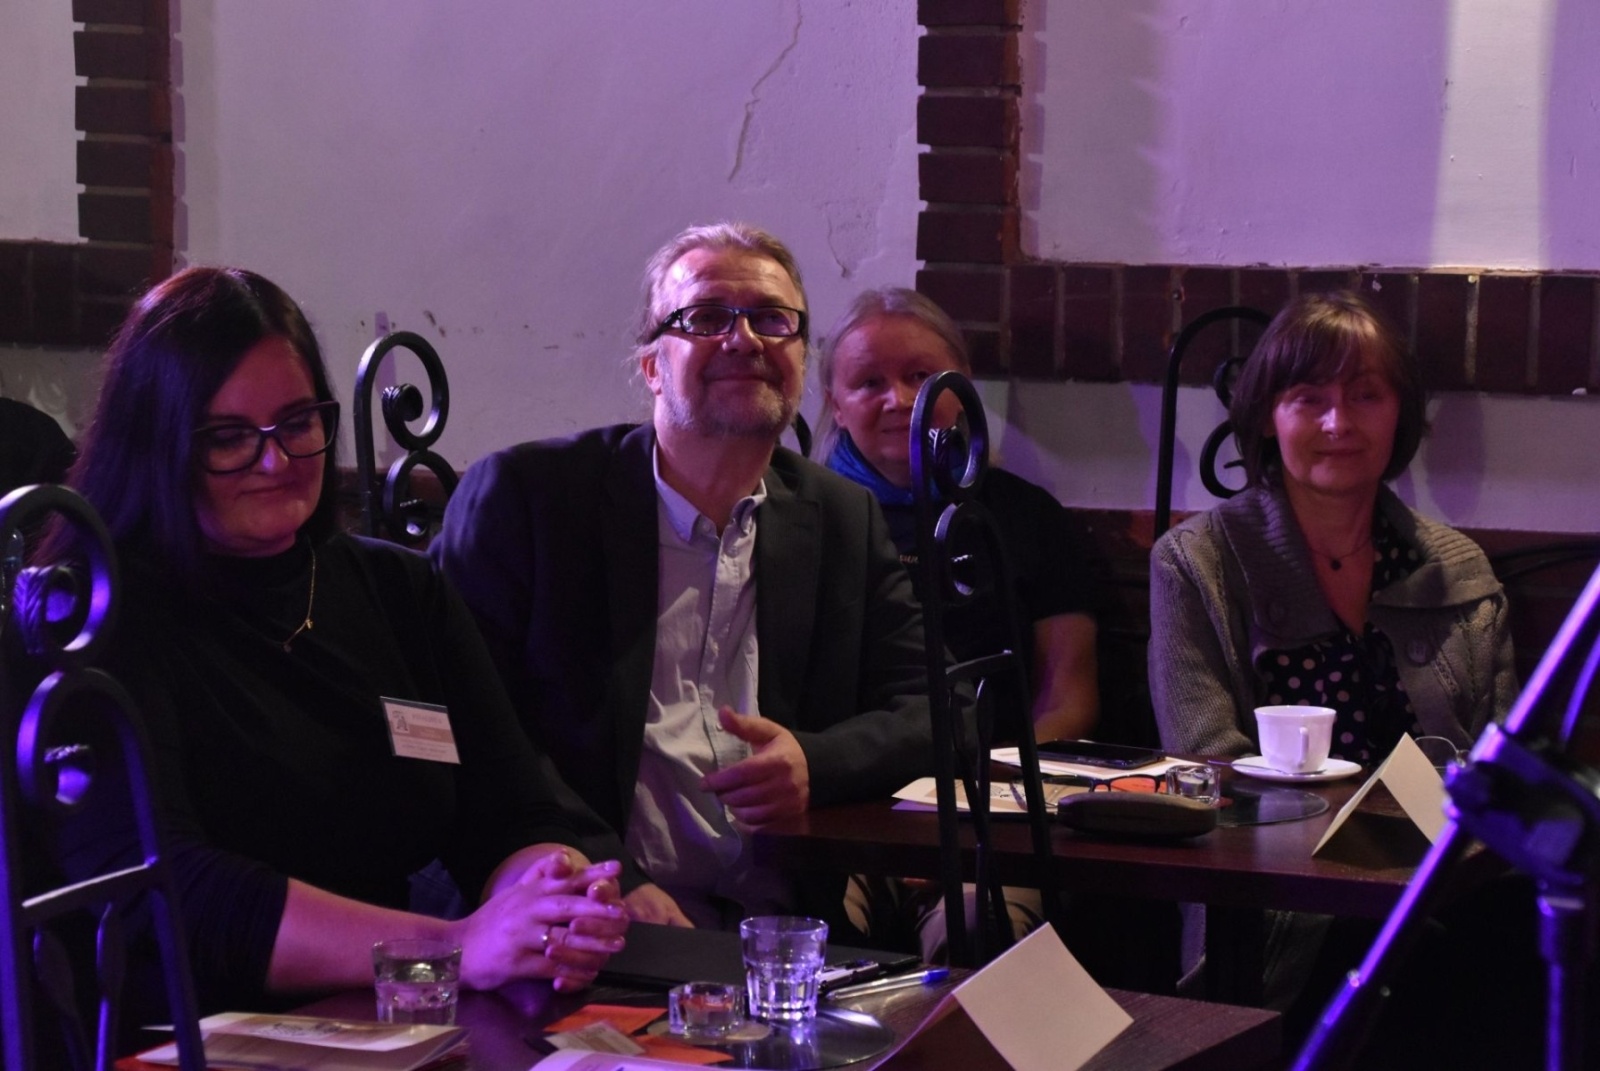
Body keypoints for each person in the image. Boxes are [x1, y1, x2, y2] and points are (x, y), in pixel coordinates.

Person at [41, 268, 630, 1026]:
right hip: (181, 1032)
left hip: (392, 1018)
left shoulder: (399, 591)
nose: (275, 460)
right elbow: (171, 890)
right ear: (156, 446)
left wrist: (553, 896)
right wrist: (452, 946)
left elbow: (511, 812)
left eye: (297, 422)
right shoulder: (94, 614)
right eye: (228, 437)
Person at [432, 222, 932, 932]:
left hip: (775, 925)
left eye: (772, 320)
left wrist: (816, 763)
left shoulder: (844, 517)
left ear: (801, 358)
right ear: (651, 367)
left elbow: (939, 708)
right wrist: (605, 873)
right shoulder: (529, 499)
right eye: (705, 317)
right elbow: (469, 724)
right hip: (578, 916)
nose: (744, 340)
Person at [1149, 290, 1515, 761]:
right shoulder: (1193, 564)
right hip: (1256, 814)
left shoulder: (1461, 571)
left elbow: (1502, 769)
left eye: (1365, 396)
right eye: (1309, 399)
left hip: (1437, 814)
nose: (1338, 423)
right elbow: (1209, 764)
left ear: (1398, 412)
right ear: (1268, 416)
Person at [814, 286, 1101, 744]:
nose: (899, 399)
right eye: (869, 383)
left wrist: (998, 777)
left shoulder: (1027, 515)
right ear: (837, 407)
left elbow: (1068, 701)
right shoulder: (806, 517)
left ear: (963, 386)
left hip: (999, 775)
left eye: (919, 376)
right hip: (847, 770)